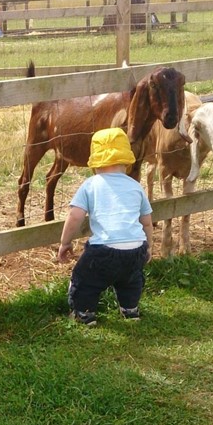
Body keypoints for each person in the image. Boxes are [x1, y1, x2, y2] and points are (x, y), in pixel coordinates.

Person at [57, 127, 154, 325]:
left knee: (85, 280)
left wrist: (65, 242)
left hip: (104, 250)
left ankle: (84, 313)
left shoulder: (91, 184)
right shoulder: (135, 186)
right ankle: (130, 309)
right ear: (126, 159)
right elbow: (147, 221)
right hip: (136, 248)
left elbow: (75, 216)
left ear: (95, 160)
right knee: (131, 280)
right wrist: (149, 246)